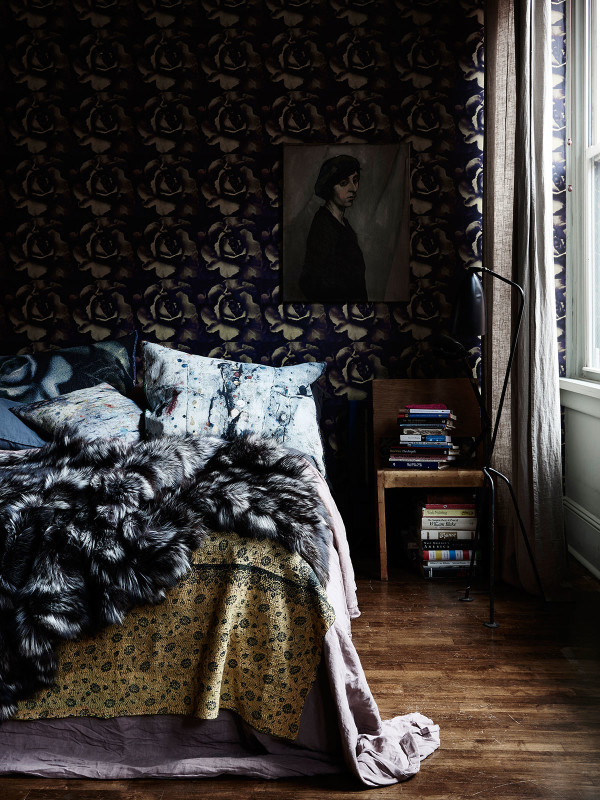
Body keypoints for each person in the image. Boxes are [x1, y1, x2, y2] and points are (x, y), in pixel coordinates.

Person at [299, 154, 368, 303]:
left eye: (355, 180)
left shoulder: (345, 225)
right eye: (343, 183)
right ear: (329, 187)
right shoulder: (323, 226)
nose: (353, 188)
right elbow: (310, 283)